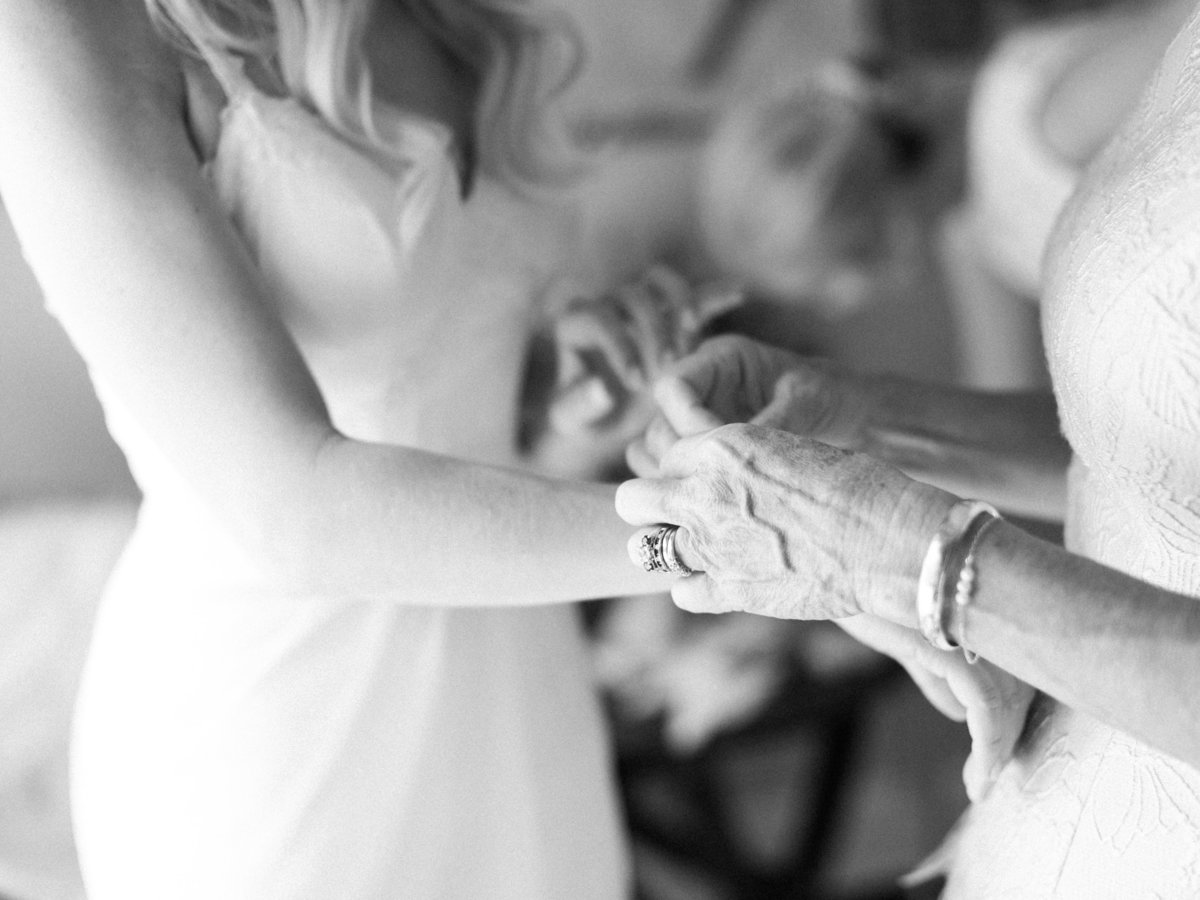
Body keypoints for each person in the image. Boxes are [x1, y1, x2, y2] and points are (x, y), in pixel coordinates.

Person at [0, 1, 719, 897]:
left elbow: (447, 396)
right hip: (282, 733)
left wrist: (549, 389)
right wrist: (708, 542)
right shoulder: (62, 25)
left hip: (515, 689)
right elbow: (293, 506)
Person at [615, 2, 1200, 894]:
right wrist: (864, 422)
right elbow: (1090, 438)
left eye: (835, 278)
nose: (851, 300)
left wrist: (923, 561)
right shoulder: (975, 238)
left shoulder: (1040, 113)